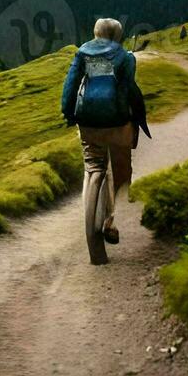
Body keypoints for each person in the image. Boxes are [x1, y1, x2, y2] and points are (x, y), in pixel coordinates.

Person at [60, 18, 151, 243]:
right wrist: (139, 118)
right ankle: (111, 221)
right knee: (121, 173)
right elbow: (130, 88)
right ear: (117, 36)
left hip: (88, 122)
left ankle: (90, 213)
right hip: (118, 123)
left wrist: (69, 114)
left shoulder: (82, 53)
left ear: (96, 33)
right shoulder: (125, 57)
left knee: (92, 166)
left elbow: (70, 86)